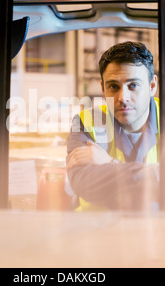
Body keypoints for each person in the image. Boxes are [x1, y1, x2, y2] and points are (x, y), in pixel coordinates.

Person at [66, 41, 160, 211]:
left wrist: (111, 164)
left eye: (133, 85)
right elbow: (84, 183)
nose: (123, 97)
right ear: (103, 88)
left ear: (152, 86)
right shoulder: (86, 122)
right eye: (113, 87)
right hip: (96, 233)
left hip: (162, 232)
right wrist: (154, 178)